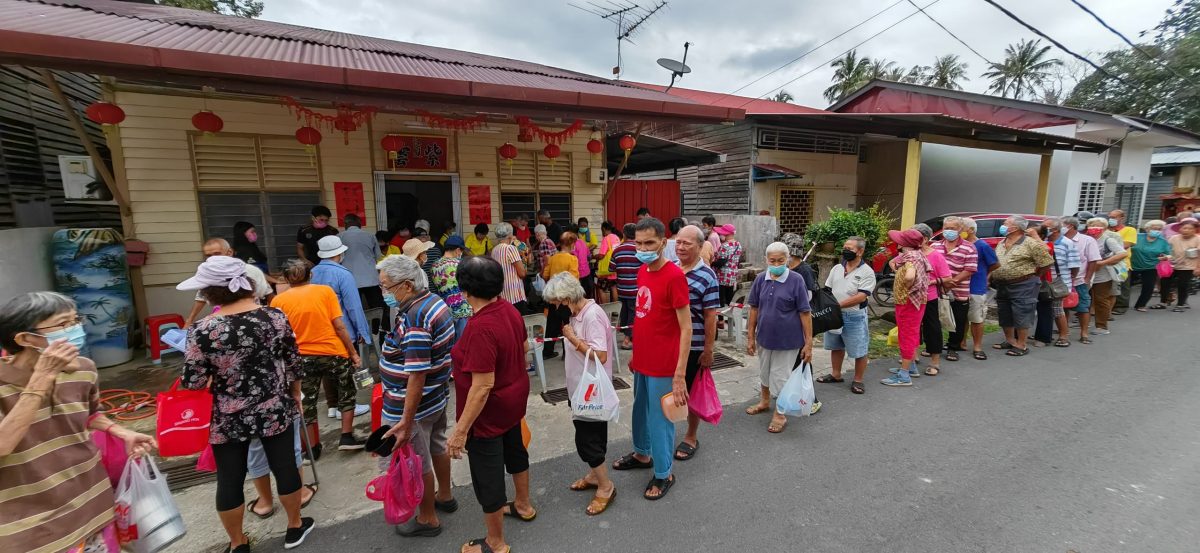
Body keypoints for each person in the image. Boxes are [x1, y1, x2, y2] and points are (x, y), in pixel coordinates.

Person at [0, 292, 157, 553]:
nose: (75, 329)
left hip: (92, 504)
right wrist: (43, 377)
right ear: (25, 338)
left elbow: (91, 412)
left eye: (76, 321)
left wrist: (120, 431)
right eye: (63, 324)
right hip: (31, 526)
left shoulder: (83, 369)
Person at [177, 257, 315, 552]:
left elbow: (194, 382)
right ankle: (294, 526)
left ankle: (238, 542)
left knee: (229, 478)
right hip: (274, 405)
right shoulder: (274, 317)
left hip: (228, 413)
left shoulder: (202, 330)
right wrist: (295, 395)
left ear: (212, 292)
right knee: (286, 466)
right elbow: (294, 364)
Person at [447, 256, 534, 553]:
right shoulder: (508, 309)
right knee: (516, 452)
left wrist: (460, 430)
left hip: (490, 412)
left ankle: (495, 542)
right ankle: (523, 504)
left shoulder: (480, 327)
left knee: (488, 475)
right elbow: (524, 349)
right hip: (513, 399)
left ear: (465, 291)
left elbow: (482, 386)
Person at [374, 255, 458, 538]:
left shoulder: (416, 317)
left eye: (387, 287)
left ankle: (427, 517)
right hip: (435, 397)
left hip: (415, 406)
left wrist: (406, 422)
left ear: (407, 285)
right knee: (437, 444)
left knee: (417, 459)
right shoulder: (432, 301)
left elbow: (417, 374)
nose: (384, 292)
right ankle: (444, 496)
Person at [611, 217, 690, 500]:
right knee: (640, 410)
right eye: (639, 243)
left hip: (664, 365)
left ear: (663, 243)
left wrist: (679, 374)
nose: (643, 248)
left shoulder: (674, 276)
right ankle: (643, 454)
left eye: (650, 243)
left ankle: (664, 472)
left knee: (660, 418)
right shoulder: (643, 270)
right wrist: (635, 354)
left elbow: (686, 327)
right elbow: (646, 317)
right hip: (643, 360)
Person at [541, 273, 618, 515]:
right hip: (582, 387)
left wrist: (573, 339)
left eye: (555, 302)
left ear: (566, 298)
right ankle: (595, 475)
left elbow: (601, 355)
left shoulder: (591, 315)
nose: (554, 307)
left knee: (587, 440)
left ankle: (606, 486)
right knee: (592, 435)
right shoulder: (577, 314)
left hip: (591, 390)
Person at [271, 260, 366, 453]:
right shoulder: (325, 292)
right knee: (346, 392)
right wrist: (353, 353)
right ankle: (346, 436)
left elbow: (279, 335)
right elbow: (339, 325)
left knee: (306, 401)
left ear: (287, 279)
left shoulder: (278, 301)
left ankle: (312, 447)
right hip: (333, 351)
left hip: (301, 357)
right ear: (310, 275)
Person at [744, 242, 813, 432]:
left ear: (788, 259)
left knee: (780, 377)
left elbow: (805, 313)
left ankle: (780, 414)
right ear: (766, 260)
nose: (776, 264)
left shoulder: (796, 279)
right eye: (772, 260)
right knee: (764, 372)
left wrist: (809, 343)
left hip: (788, 340)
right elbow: (754, 308)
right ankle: (764, 401)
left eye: (781, 260)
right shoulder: (760, 279)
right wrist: (750, 336)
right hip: (764, 338)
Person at [671, 225, 720, 460]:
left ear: (701, 247)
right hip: (668, 344)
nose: (680, 247)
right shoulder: (671, 269)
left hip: (694, 345)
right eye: (678, 242)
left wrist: (708, 350)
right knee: (668, 391)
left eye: (686, 243)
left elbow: (711, 316)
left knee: (690, 392)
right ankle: (666, 432)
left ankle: (691, 435)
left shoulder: (707, 276)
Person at [312, 235, 373, 419]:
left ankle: (332, 405)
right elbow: (353, 306)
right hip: (342, 328)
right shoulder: (343, 274)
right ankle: (345, 407)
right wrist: (362, 331)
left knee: (326, 369)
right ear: (340, 253)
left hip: (320, 329)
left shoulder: (312, 272)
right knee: (343, 368)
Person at [816, 237, 876, 394]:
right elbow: (828, 289)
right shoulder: (837, 268)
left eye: (850, 248)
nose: (845, 251)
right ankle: (836, 374)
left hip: (854, 316)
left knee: (859, 349)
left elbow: (862, 296)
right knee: (835, 345)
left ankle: (858, 380)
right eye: (844, 248)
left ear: (860, 251)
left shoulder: (867, 272)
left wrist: (837, 305)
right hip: (834, 315)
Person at [990, 216, 1054, 356]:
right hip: (1002, 284)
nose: (1003, 225)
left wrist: (1036, 275)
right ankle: (1010, 340)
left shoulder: (1030, 243)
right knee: (1005, 313)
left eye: (1006, 223)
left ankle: (1022, 345)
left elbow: (1046, 262)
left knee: (1022, 313)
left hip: (1023, 284)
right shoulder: (1003, 242)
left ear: (1016, 227)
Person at [185, 238, 273, 327]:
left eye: (217, 254)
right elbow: (201, 297)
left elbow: (268, 293)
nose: (213, 258)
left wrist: (274, 313)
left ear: (229, 252)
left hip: (254, 316)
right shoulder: (208, 273)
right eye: (208, 256)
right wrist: (189, 320)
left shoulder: (251, 270)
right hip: (223, 319)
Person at [882, 229, 930, 386]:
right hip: (915, 301)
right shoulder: (917, 255)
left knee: (906, 335)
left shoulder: (911, 258)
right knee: (912, 333)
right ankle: (911, 367)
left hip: (908, 301)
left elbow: (910, 275)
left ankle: (904, 375)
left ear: (904, 244)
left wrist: (906, 285)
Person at [931, 217, 978, 362]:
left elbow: (970, 269)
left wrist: (952, 282)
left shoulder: (969, 247)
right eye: (946, 228)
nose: (949, 231)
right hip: (937, 289)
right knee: (934, 321)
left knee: (958, 321)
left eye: (952, 228)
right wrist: (942, 283)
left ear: (960, 230)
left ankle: (953, 347)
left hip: (960, 290)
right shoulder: (935, 246)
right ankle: (933, 347)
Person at [1033, 219, 1080, 347]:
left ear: (1055, 229)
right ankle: (1045, 333)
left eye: (1046, 227)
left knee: (1057, 309)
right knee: (1046, 309)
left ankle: (1064, 336)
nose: (1043, 229)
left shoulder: (1067, 243)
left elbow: (1075, 265)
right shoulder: (1044, 241)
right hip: (1043, 280)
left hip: (1058, 282)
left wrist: (1070, 279)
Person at [912, 224, 952, 375]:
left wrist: (933, 281)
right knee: (913, 327)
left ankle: (935, 361)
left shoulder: (935, 256)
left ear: (925, 239)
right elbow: (894, 262)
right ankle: (912, 355)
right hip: (912, 297)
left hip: (929, 297)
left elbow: (947, 278)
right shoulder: (910, 253)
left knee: (932, 328)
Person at [959, 218, 999, 359]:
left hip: (976, 287)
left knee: (976, 318)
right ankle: (961, 342)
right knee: (961, 317)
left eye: (961, 227)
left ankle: (977, 346)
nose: (958, 230)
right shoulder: (960, 244)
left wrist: (985, 275)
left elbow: (995, 264)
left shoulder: (982, 245)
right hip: (961, 286)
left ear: (970, 230)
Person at [340, 214, 386, 334]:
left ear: (346, 225)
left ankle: (359, 334)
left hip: (350, 280)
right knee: (376, 307)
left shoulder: (339, 237)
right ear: (360, 224)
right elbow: (378, 256)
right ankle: (377, 332)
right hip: (371, 279)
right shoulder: (370, 235)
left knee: (354, 310)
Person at [1085, 217, 1129, 334]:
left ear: (1104, 228)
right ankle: (1084, 323)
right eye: (1092, 225)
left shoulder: (1108, 240)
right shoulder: (1086, 239)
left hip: (1103, 274)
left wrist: (1103, 262)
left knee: (1101, 299)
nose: (1094, 228)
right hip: (1086, 273)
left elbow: (1122, 253)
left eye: (1097, 226)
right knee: (1086, 299)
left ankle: (1102, 326)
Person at [541, 233, 580, 359]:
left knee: (552, 324)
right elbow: (574, 279)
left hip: (553, 297)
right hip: (566, 298)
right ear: (572, 244)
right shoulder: (572, 259)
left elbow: (545, 275)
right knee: (568, 324)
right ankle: (567, 353)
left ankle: (547, 351)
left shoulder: (553, 258)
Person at [1063, 216, 1102, 344]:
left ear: (1070, 226)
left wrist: (1087, 278)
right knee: (1064, 307)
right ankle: (1064, 331)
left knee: (1083, 307)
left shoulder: (1087, 240)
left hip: (1079, 280)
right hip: (1062, 280)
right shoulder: (1059, 240)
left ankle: (1084, 333)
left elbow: (1093, 260)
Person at [432, 236, 473, 337]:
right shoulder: (460, 264)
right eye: (461, 251)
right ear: (458, 250)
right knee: (463, 341)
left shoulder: (435, 265)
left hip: (445, 309)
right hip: (463, 309)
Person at [1132, 220, 1173, 311]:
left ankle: (1141, 305)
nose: (1157, 231)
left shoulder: (1162, 241)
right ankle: (1119, 305)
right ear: (1147, 229)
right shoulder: (1137, 237)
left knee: (1148, 287)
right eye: (1154, 228)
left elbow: (1169, 254)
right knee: (1126, 286)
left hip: (1151, 266)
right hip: (1133, 265)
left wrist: (1165, 257)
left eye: (1159, 229)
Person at [612, 223, 641, 350]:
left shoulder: (617, 250)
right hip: (635, 289)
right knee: (633, 313)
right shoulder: (639, 249)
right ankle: (627, 339)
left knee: (624, 312)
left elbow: (611, 268)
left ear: (624, 234)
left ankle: (627, 334)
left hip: (622, 288)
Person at [490, 222, 529, 312]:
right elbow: (522, 273)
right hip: (515, 296)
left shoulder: (494, 250)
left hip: (502, 295)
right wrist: (524, 258)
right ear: (510, 235)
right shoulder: (510, 248)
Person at [1165, 218, 1200, 311]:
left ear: (1195, 230)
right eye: (1184, 228)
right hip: (1173, 264)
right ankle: (1165, 300)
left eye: (1190, 229)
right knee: (1165, 282)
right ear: (1180, 229)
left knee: (1183, 285)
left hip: (1188, 266)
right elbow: (1167, 249)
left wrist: (1198, 268)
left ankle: (1181, 304)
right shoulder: (1174, 238)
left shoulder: (1198, 239)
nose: (1187, 230)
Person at [1108, 209, 1137, 313]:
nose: (1111, 219)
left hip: (1123, 262)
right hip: (1107, 261)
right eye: (1110, 217)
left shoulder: (1129, 230)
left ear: (1122, 218)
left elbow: (1127, 244)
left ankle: (1121, 306)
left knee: (1123, 285)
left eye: (1114, 217)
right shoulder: (1107, 230)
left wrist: (1110, 246)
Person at [714, 224, 743, 307]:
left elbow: (721, 262)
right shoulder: (738, 245)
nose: (721, 235)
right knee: (730, 297)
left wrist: (712, 263)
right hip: (733, 273)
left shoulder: (724, 246)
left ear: (727, 234)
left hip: (723, 274)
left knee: (721, 298)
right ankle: (730, 315)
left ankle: (721, 318)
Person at [594, 221, 622, 304]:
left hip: (606, 270)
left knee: (601, 288)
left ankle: (605, 308)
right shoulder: (616, 237)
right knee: (614, 288)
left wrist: (594, 256)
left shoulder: (606, 238)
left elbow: (602, 255)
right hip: (615, 268)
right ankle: (615, 308)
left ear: (604, 229)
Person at [570, 224, 595, 298]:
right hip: (586, 273)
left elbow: (572, 259)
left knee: (579, 297)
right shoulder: (582, 242)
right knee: (586, 296)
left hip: (578, 274)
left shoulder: (572, 245)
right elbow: (589, 256)